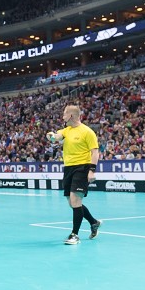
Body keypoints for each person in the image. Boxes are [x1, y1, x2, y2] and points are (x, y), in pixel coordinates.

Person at [47, 104, 102, 245]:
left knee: (75, 200)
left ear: (71, 115)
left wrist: (92, 170)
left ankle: (74, 235)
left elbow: (95, 152)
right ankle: (93, 222)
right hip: (68, 168)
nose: (62, 116)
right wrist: (52, 136)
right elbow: (57, 137)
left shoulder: (87, 132)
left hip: (82, 167)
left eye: (65, 113)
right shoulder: (66, 130)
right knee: (72, 203)